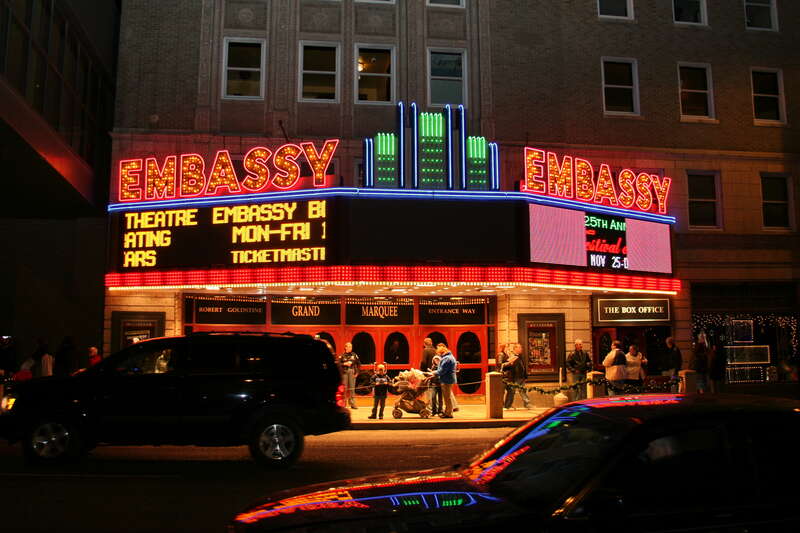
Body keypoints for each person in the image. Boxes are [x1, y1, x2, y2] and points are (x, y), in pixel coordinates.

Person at [432, 344, 456, 418]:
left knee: (447, 397)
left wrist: (433, 373)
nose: (438, 355)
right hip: (449, 379)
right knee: (447, 397)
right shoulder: (450, 357)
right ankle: (448, 412)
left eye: (439, 353)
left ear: (442, 352)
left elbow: (442, 371)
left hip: (446, 379)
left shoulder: (446, 359)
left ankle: (448, 413)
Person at [340, 342, 361, 409]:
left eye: (351, 347)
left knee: (352, 388)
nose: (350, 348)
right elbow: (338, 364)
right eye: (349, 347)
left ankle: (352, 403)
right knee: (345, 389)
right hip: (345, 372)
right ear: (345, 347)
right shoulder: (342, 355)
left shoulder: (354, 355)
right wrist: (344, 364)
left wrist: (357, 372)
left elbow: (359, 364)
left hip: (352, 372)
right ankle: (344, 403)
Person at [512, 343, 530, 409]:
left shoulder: (520, 356)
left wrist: (525, 376)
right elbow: (512, 368)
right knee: (512, 391)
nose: (521, 349)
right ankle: (509, 404)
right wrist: (513, 377)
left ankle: (527, 404)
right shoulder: (513, 357)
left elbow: (523, 367)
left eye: (521, 347)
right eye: (519, 347)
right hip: (515, 377)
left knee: (523, 391)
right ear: (515, 349)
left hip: (521, 377)